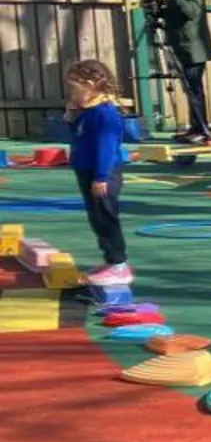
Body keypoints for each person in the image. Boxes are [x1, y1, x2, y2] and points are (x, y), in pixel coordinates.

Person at [64, 60, 132, 286]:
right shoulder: (87, 112)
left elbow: (107, 146)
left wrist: (101, 176)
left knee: (106, 216)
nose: (73, 93)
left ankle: (119, 264)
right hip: (86, 170)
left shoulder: (106, 114)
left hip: (103, 173)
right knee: (96, 218)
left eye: (76, 89)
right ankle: (110, 260)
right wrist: (72, 115)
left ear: (91, 84)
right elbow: (80, 136)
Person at [159, 0, 211, 145]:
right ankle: (195, 127)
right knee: (189, 90)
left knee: (194, 90)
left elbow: (192, 12)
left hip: (194, 50)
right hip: (181, 48)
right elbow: (173, 18)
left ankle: (203, 130)